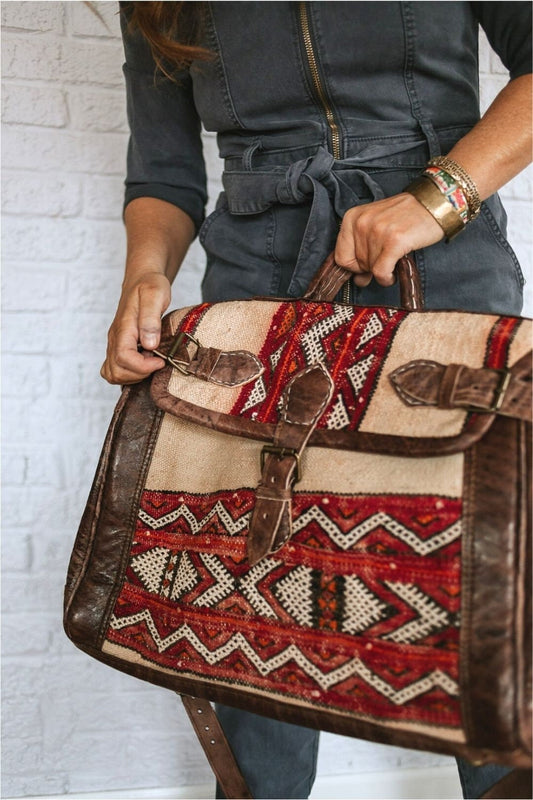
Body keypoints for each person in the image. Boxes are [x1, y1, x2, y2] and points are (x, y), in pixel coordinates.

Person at [101, 3, 532, 798]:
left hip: (441, 269)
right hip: (254, 284)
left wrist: (436, 196)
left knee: (473, 584)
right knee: (250, 584)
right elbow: (162, 170)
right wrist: (145, 274)